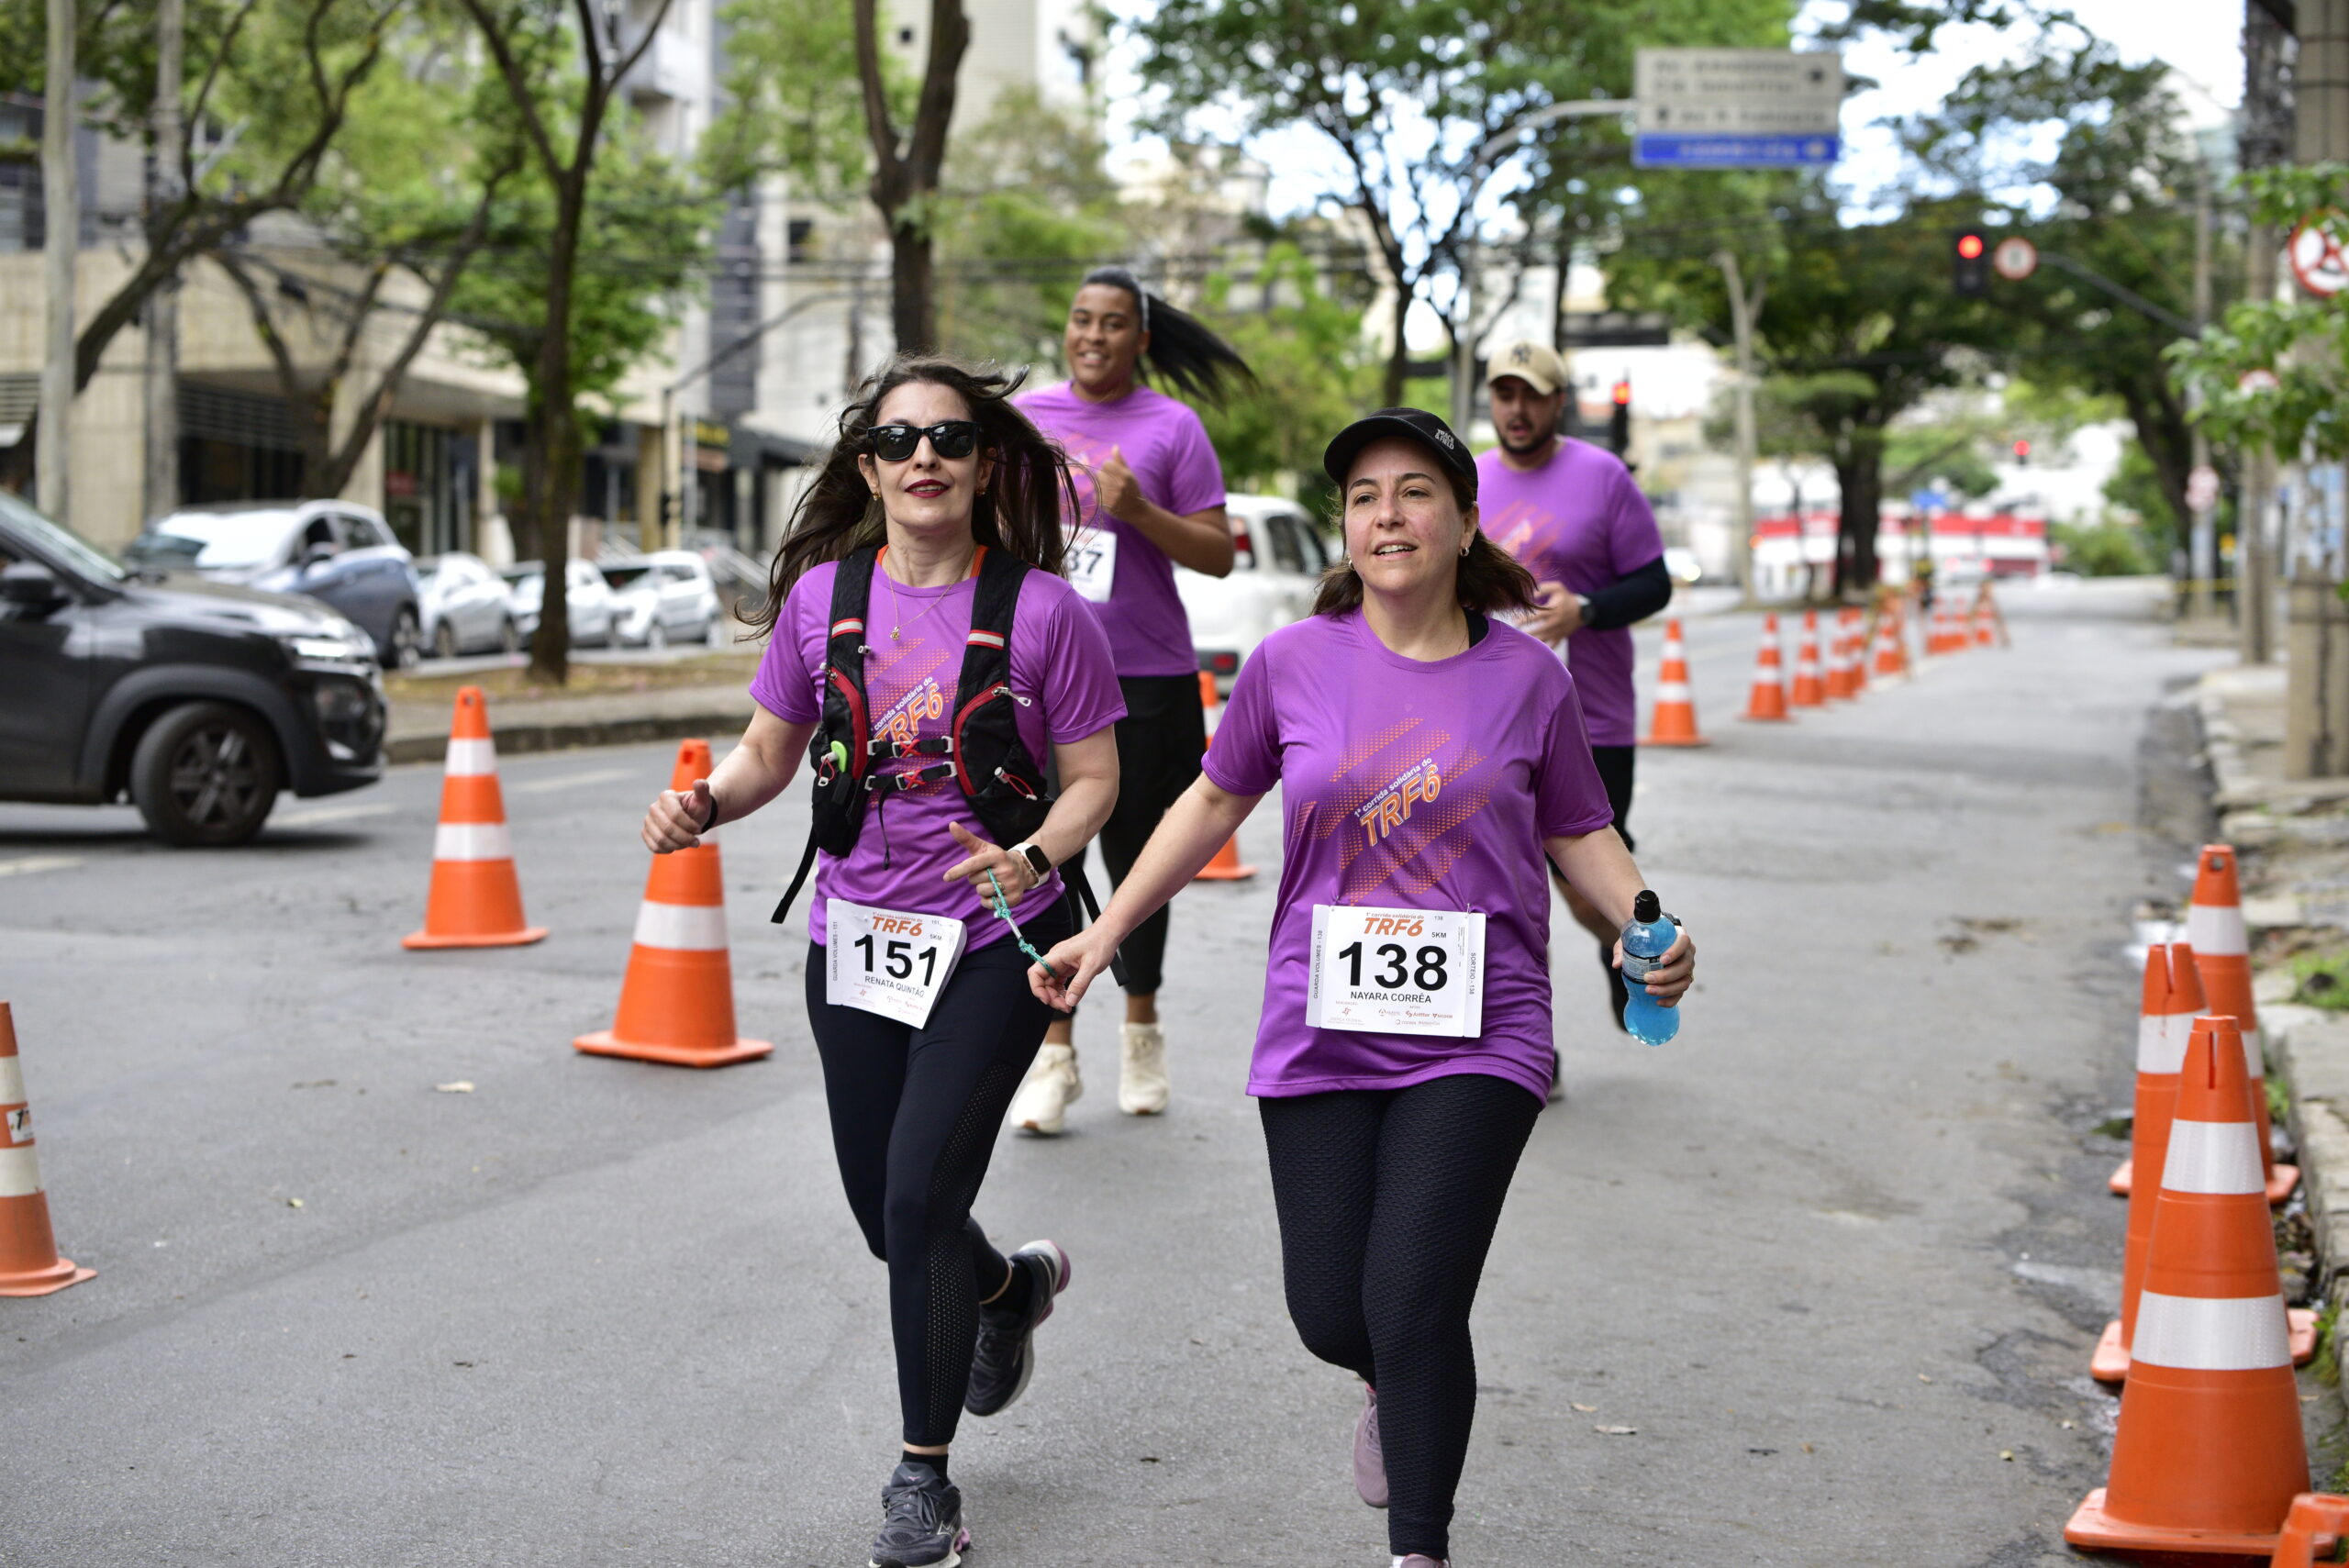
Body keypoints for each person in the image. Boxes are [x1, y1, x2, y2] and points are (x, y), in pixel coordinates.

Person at [1028, 407, 1696, 1568]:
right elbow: (1208, 805)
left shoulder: (1529, 675)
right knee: (1334, 1313)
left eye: (1415, 490)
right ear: (1345, 530)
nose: (1388, 514)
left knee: (1413, 1294)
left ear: (1463, 517)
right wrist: (1105, 929)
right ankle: (1400, 1383)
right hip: (1320, 1027)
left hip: (1481, 1030)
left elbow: (1583, 828)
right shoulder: (1292, 662)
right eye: (1364, 497)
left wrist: (1648, 928)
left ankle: (1419, 1546)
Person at [638, 355, 1125, 1568]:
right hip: (852, 940)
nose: (925, 457)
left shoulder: (1046, 612)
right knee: (884, 1215)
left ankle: (924, 1482)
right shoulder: (820, 599)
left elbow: (1098, 780)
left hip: (991, 949)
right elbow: (765, 755)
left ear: (984, 464)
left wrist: (1035, 854)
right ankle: (1007, 1294)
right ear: (869, 466)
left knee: (916, 1198)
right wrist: (704, 803)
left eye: (950, 438)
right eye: (901, 438)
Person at [1006, 264, 1253, 1133]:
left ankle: (1141, 1031)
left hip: (1146, 677)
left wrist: (1140, 511)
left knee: (1139, 868)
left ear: (1140, 340)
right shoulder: (1028, 419)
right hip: (1038, 676)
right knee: (1045, 864)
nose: (1094, 336)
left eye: (1113, 323)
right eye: (1081, 319)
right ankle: (1053, 1053)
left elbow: (1219, 552)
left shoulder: (1172, 427)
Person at [1479, 340, 1672, 1057]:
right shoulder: (1466, 480)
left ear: (1560, 402)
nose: (1517, 409)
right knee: (1502, 883)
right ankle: (1527, 1042)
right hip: (1489, 717)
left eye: (1532, 395)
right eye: (1505, 394)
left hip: (1594, 719)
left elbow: (1654, 583)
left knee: (1582, 881)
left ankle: (1625, 944)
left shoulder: (1603, 476)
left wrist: (1584, 610)